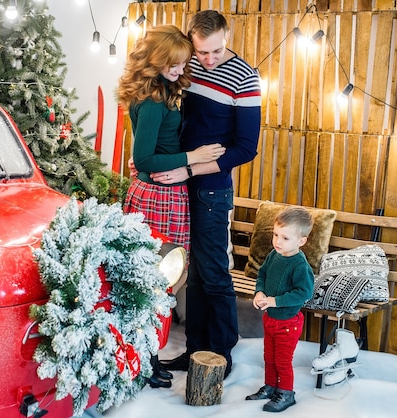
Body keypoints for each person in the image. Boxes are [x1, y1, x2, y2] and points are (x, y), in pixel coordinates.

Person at [117, 24, 225, 388]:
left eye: (184, 63)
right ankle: (144, 359)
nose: (181, 70)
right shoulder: (151, 101)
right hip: (158, 197)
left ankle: (148, 356)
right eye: (174, 64)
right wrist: (191, 158)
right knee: (154, 279)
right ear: (157, 60)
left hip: (167, 194)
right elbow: (145, 158)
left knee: (163, 280)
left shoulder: (162, 90)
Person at [156, 10, 262, 379]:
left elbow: (246, 148)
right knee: (193, 275)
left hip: (211, 190)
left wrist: (188, 169)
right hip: (176, 185)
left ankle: (221, 354)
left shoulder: (245, 77)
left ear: (226, 37)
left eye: (216, 51)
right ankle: (195, 349)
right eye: (202, 53)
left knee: (215, 273)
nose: (209, 60)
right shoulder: (187, 65)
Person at [246, 206, 314, 412]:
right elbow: (262, 275)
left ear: (301, 241)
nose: (277, 241)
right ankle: (270, 386)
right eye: (276, 235)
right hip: (271, 319)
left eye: (285, 238)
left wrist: (275, 301)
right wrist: (259, 292)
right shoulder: (274, 256)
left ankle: (286, 393)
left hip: (288, 322)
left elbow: (304, 292)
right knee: (269, 357)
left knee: (282, 361)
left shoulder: (299, 265)